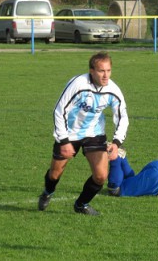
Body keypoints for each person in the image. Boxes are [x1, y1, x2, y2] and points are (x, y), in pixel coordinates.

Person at [38, 51, 129, 216]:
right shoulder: (78, 84)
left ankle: (81, 204)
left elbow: (122, 118)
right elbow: (59, 111)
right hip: (69, 133)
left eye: (108, 70)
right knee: (54, 173)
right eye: (101, 71)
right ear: (92, 71)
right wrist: (64, 141)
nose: (105, 75)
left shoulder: (113, 90)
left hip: (93, 132)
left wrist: (116, 143)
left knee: (101, 176)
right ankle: (47, 192)